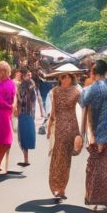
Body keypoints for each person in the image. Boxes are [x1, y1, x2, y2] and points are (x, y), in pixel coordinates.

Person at [80, 60, 107, 213]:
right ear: (105, 72)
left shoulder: (91, 89)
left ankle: (97, 201)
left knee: (97, 168)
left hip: (99, 132)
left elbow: (83, 103)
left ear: (93, 73)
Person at [46, 69, 81, 201]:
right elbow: (54, 110)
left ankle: (62, 189)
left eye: (67, 77)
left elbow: (84, 108)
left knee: (66, 160)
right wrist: (49, 126)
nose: (64, 79)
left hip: (72, 128)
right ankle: (56, 186)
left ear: (71, 78)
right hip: (60, 128)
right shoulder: (55, 91)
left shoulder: (76, 92)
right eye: (62, 77)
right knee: (57, 158)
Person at [16, 68, 43, 167]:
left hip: (24, 113)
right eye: (28, 74)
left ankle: (26, 159)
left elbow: (21, 100)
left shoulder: (23, 85)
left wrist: (17, 94)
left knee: (23, 136)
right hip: (30, 113)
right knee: (26, 136)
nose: (30, 76)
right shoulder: (31, 84)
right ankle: (26, 159)